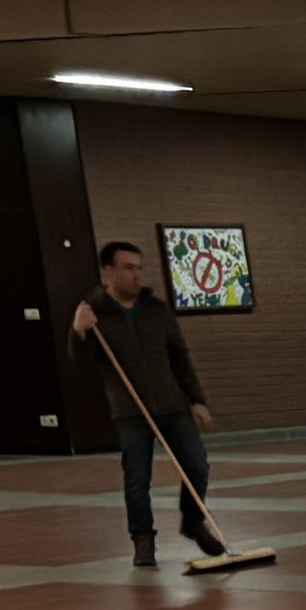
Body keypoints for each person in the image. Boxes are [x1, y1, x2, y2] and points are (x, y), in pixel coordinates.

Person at [71, 241, 219, 570]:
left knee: (197, 466)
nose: (136, 274)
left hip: (171, 404)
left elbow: (179, 356)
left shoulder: (156, 310)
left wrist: (196, 399)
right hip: (130, 410)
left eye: (138, 267)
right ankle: (142, 539)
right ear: (108, 271)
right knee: (137, 479)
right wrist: (79, 331)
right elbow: (80, 365)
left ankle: (193, 521)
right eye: (128, 268)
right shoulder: (95, 314)